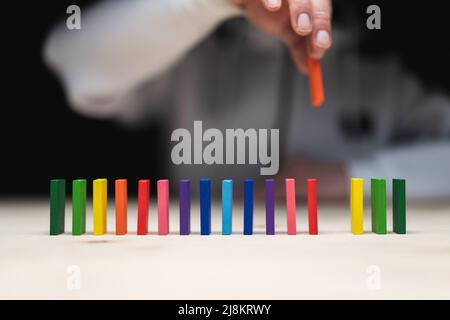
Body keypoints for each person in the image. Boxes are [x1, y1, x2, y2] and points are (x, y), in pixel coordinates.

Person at [44, 0, 450, 199]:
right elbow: (74, 62)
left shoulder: (382, 70)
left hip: (340, 274)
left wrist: (353, 179)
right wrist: (211, 3)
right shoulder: (191, 52)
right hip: (195, 275)